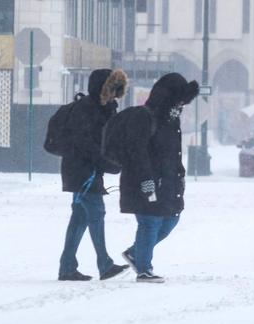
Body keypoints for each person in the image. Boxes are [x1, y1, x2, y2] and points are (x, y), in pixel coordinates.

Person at [115, 72, 199, 283]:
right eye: (179, 100)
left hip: (167, 180)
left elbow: (173, 153)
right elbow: (138, 151)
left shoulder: (171, 120)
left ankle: (136, 253)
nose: (181, 105)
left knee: (171, 219)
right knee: (150, 222)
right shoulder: (145, 117)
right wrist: (146, 180)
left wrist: (179, 176)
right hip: (145, 180)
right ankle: (144, 268)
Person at [57, 68, 130, 281]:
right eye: (112, 89)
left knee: (80, 218)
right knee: (96, 213)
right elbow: (86, 144)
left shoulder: (102, 108)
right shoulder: (87, 109)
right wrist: (108, 163)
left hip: (83, 169)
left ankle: (67, 267)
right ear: (103, 87)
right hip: (83, 170)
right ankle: (104, 264)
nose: (115, 94)